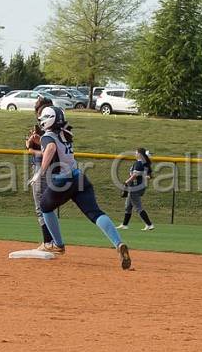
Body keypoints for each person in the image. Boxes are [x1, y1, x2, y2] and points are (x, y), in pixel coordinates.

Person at [29, 106, 131, 269]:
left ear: (48, 120)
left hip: (62, 181)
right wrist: (39, 142)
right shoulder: (66, 134)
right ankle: (118, 243)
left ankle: (58, 245)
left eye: (43, 118)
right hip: (79, 177)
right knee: (95, 213)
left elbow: (50, 148)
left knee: (44, 207)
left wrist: (40, 171)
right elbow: (55, 144)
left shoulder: (47, 137)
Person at [26, 97, 55, 250]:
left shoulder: (47, 127)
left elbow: (47, 152)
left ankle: (48, 242)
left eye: (39, 110)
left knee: (41, 206)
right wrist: (33, 142)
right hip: (56, 169)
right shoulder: (57, 125)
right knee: (47, 205)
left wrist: (32, 148)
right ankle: (51, 241)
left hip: (42, 168)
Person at [117, 147, 155, 231]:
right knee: (128, 206)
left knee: (138, 207)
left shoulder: (139, 163)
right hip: (140, 187)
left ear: (140, 155)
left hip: (135, 188)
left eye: (136, 152)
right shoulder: (145, 164)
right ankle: (125, 224)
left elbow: (134, 176)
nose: (135, 154)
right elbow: (149, 176)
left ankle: (149, 224)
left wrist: (126, 182)